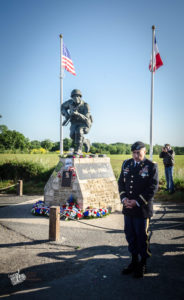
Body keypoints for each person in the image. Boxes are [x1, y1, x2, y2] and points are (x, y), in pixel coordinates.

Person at [118, 141, 159, 278]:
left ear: (144, 152)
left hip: (142, 209)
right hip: (128, 208)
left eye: (138, 153)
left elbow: (152, 188)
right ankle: (134, 261)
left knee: (142, 236)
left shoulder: (151, 166)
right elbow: (121, 183)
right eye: (134, 153)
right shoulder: (126, 164)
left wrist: (137, 201)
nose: (135, 156)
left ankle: (143, 263)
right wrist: (124, 199)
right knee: (130, 235)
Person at [61, 89, 93, 154]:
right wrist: (66, 115)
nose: (75, 98)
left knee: (79, 130)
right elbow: (62, 107)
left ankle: (79, 149)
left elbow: (86, 118)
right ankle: (85, 141)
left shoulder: (85, 105)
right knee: (72, 135)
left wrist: (78, 114)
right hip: (74, 123)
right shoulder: (70, 103)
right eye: (73, 96)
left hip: (85, 123)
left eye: (77, 96)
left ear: (80, 97)